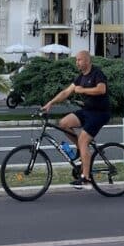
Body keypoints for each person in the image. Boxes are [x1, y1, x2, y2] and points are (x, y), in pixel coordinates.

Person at [42, 50, 110, 190]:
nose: (77, 62)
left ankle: (86, 179)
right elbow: (66, 92)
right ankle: (81, 149)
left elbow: (101, 89)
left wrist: (82, 90)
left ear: (87, 61)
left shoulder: (97, 73)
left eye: (79, 60)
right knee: (64, 123)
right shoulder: (80, 77)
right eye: (76, 60)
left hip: (100, 113)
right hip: (87, 111)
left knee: (83, 140)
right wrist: (51, 103)